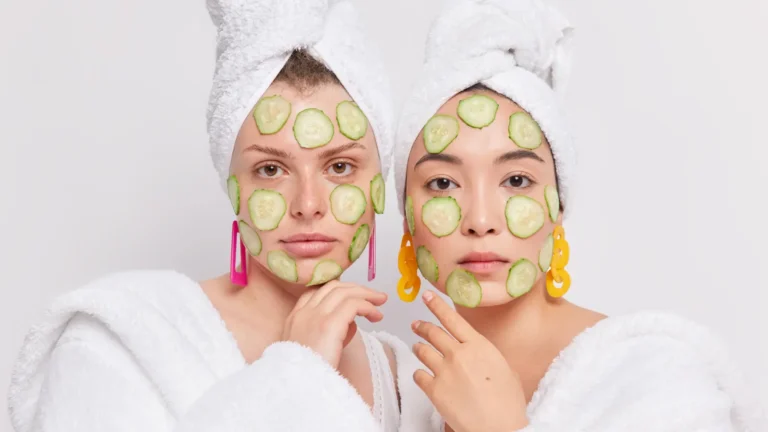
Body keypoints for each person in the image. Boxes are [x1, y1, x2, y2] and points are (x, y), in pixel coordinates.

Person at [6, 1, 431, 431]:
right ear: (232, 184)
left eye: (339, 167)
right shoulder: (126, 336)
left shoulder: (409, 383)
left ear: (380, 182)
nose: (308, 203)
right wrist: (298, 371)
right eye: (270, 170)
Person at [391, 0, 767, 431]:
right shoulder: (403, 395)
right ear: (406, 216)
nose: (480, 220)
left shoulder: (653, 377)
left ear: (559, 206)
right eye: (442, 183)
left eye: (515, 180)